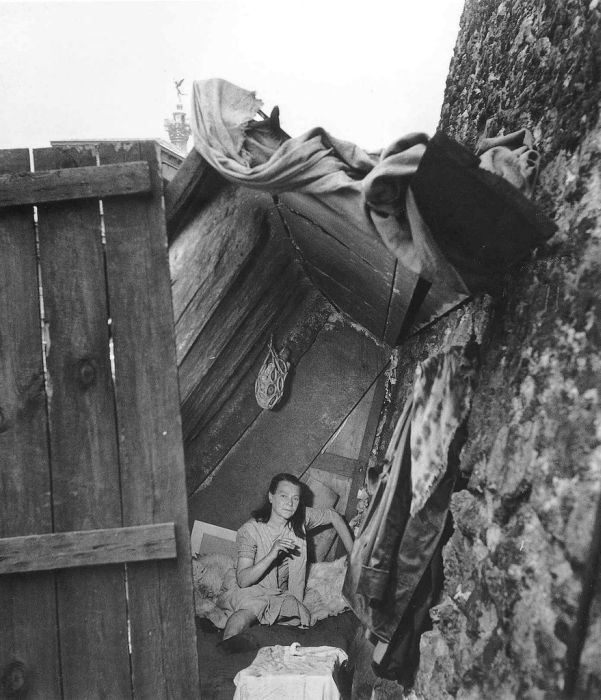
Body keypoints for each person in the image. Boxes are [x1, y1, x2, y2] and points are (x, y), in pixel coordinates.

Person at [220, 472, 354, 644]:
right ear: (271, 497)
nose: (290, 503)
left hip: (283, 593)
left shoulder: (300, 519)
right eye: (283, 496)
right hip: (253, 588)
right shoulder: (250, 530)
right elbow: (243, 580)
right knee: (249, 611)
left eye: (295, 498)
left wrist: (354, 555)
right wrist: (271, 555)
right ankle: (226, 645)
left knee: (300, 621)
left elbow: (334, 516)